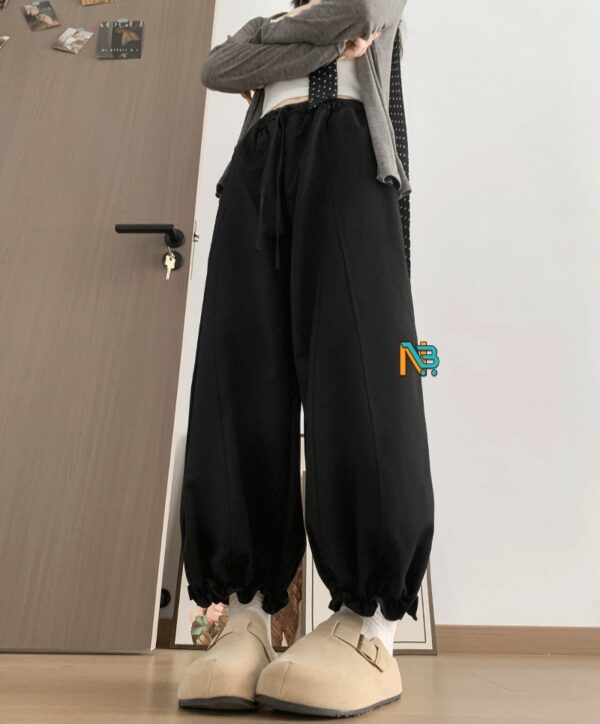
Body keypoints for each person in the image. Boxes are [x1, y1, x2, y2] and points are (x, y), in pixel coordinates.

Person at [178, 0, 435, 717]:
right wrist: (306, 37)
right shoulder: (276, 18)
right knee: (238, 375)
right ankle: (247, 614)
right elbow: (217, 67)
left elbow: (359, 10)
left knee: (361, 375)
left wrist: (272, 48)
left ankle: (367, 627)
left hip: (346, 152)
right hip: (256, 168)